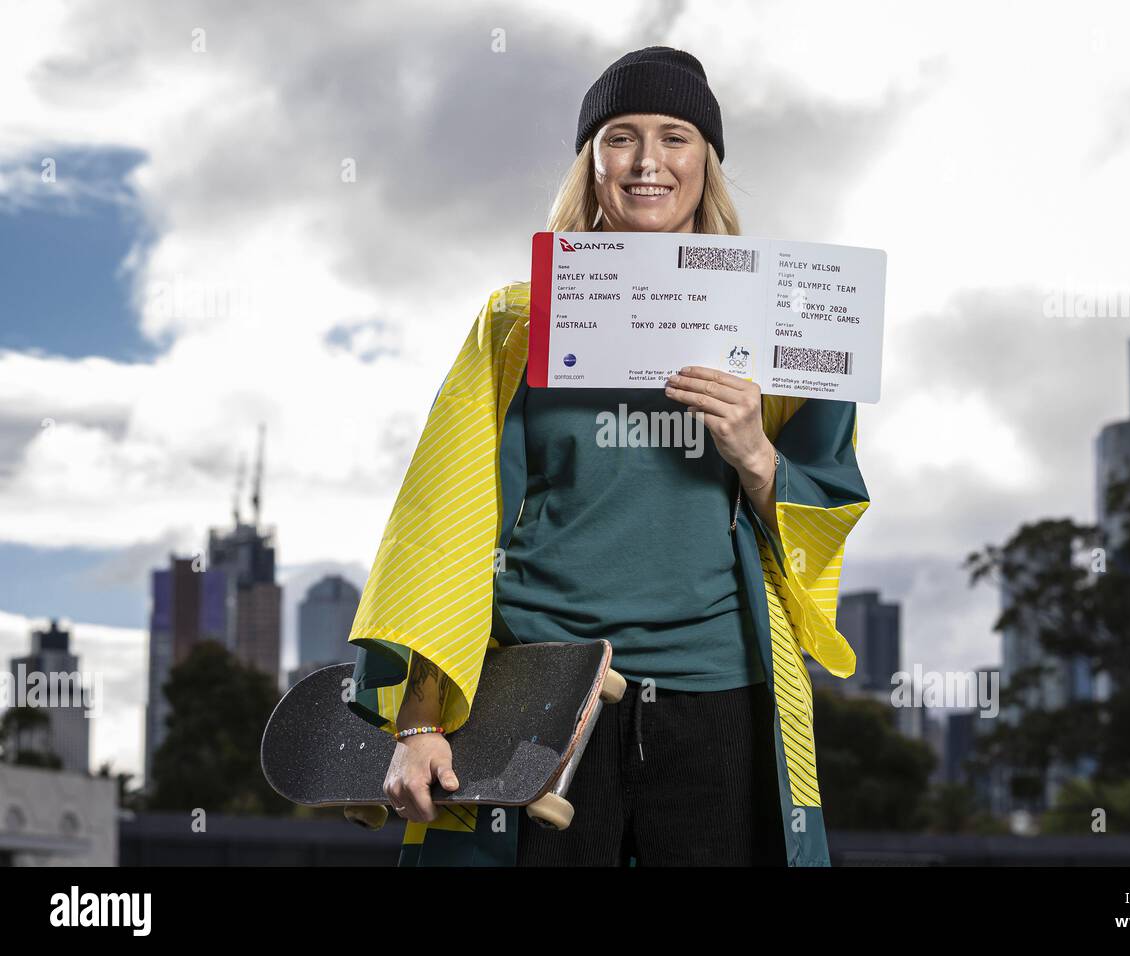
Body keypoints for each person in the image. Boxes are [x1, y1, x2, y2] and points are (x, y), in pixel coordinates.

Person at [345, 46, 871, 866]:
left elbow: (826, 507)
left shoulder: (785, 319)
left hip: (717, 692)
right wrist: (418, 721)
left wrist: (754, 452)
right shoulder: (519, 321)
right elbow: (442, 523)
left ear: (708, 163)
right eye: (620, 137)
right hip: (543, 691)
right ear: (591, 164)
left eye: (676, 137)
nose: (648, 163)